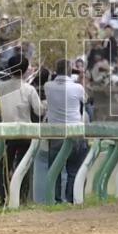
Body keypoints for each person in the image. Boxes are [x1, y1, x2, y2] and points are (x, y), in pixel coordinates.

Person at [0, 54, 42, 207]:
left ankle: (3, 198)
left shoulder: (0, 87)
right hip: (24, 133)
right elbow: (39, 110)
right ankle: (21, 198)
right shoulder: (29, 89)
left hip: (7, 132)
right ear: (24, 70)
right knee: (24, 166)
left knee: (5, 165)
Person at [43, 59, 88, 204]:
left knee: (55, 171)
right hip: (75, 133)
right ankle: (72, 200)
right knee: (74, 170)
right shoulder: (78, 88)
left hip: (55, 134)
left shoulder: (47, 86)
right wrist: (81, 77)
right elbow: (86, 100)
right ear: (70, 71)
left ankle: (55, 200)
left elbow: (52, 81)